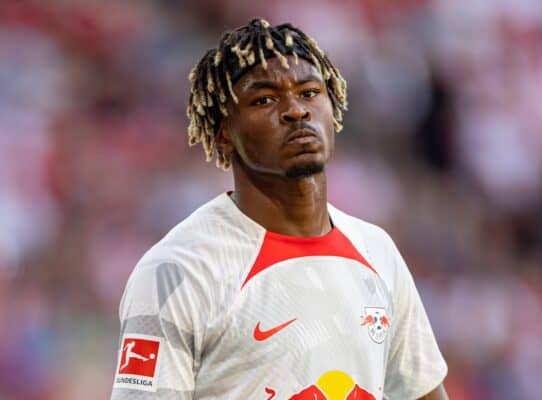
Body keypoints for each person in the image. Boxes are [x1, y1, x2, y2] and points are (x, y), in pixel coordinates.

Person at [110, 18, 448, 400]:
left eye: (309, 92)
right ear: (224, 133)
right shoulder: (177, 270)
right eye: (264, 100)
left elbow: (424, 393)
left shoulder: (376, 250)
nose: (295, 111)